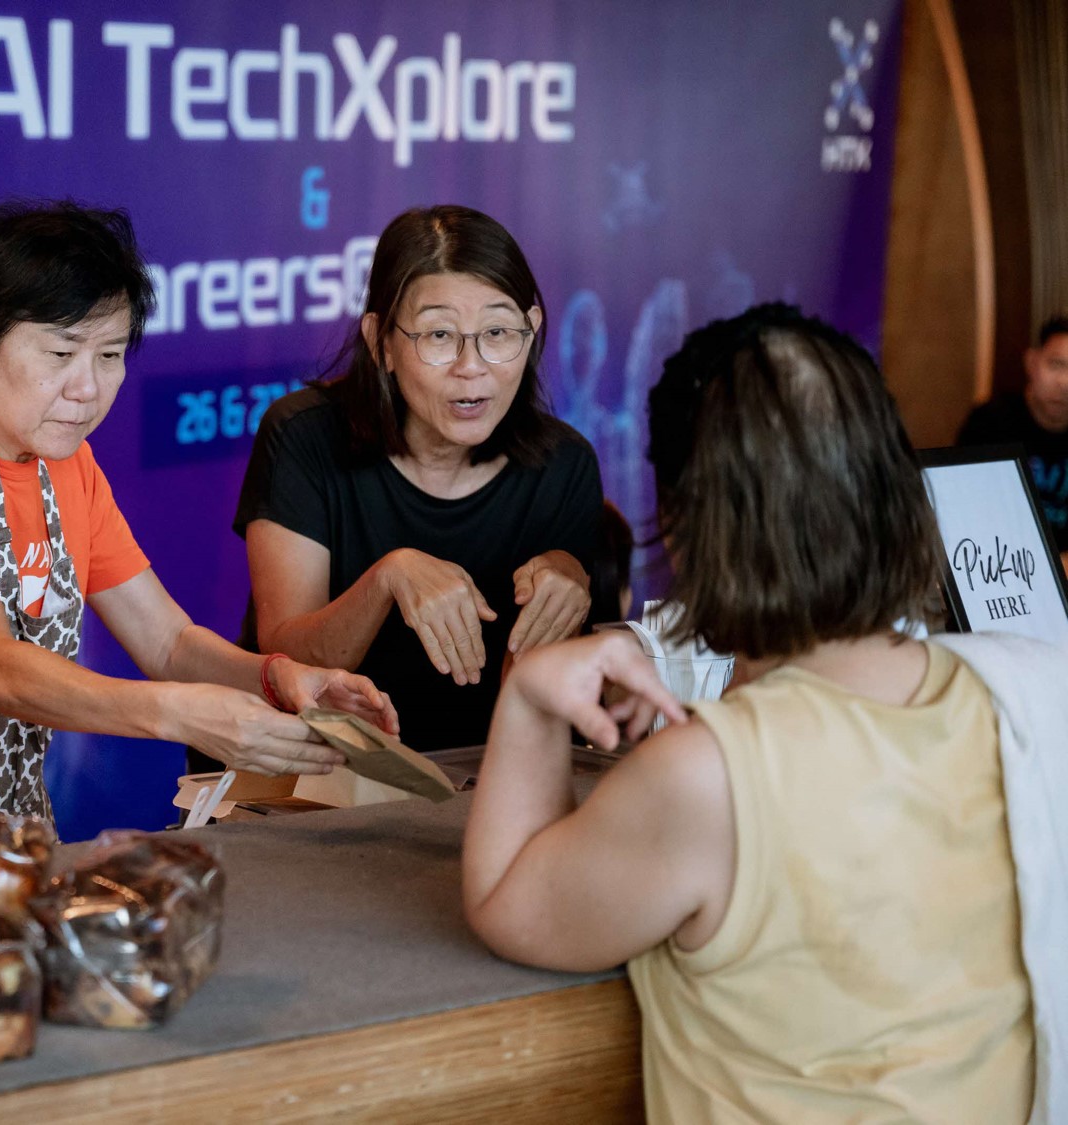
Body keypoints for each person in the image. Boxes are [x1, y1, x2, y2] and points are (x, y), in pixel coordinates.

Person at [464, 305, 1064, 1121]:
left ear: (680, 525)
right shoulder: (1030, 691)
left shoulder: (705, 776)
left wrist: (531, 691)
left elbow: (506, 902)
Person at [0, 200, 396, 818]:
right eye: (59, 354)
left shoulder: (62, 457)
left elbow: (169, 643)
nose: (88, 389)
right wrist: (178, 715)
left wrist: (281, 678)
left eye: (109, 355)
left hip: (4, 838)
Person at [233, 205, 600, 754]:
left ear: (532, 331)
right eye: (438, 335)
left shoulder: (564, 464)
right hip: (320, 777)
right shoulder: (303, 436)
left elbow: (567, 708)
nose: (471, 366)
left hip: (486, 780)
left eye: (498, 332)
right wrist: (386, 579)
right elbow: (286, 661)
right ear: (381, 341)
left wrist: (570, 584)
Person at [958, 315, 1068, 565]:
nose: (1064, 383)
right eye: (1056, 365)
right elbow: (964, 512)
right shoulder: (989, 424)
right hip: (998, 565)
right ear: (1032, 362)